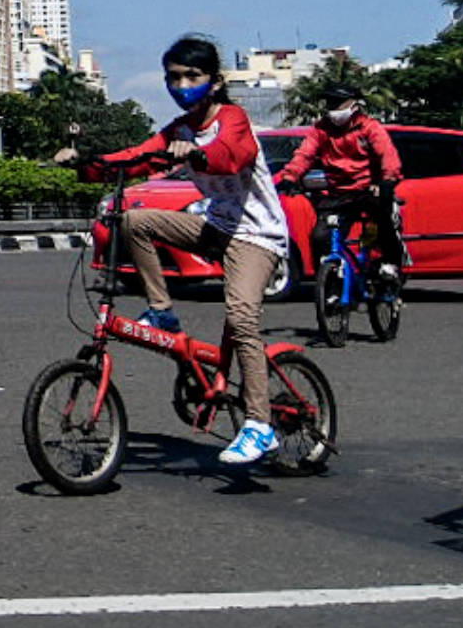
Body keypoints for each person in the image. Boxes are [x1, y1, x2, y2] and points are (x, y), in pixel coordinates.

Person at [57, 35, 291, 466]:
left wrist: (198, 154)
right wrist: (86, 163)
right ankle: (162, 309)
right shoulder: (179, 130)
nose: (181, 85)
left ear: (215, 81)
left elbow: (231, 156)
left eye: (191, 76)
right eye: (173, 77)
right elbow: (138, 158)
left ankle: (260, 425)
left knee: (240, 315)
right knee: (133, 219)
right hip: (217, 227)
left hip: (257, 237)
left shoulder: (232, 118)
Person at [272, 83, 405, 289]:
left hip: (367, 190)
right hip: (337, 194)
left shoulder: (369, 127)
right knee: (319, 237)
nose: (333, 108)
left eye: (338, 103)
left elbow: (387, 155)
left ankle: (390, 265)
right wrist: (290, 177)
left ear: (353, 104)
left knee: (381, 222)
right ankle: (330, 285)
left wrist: (388, 180)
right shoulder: (320, 130)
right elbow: (304, 155)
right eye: (330, 103)